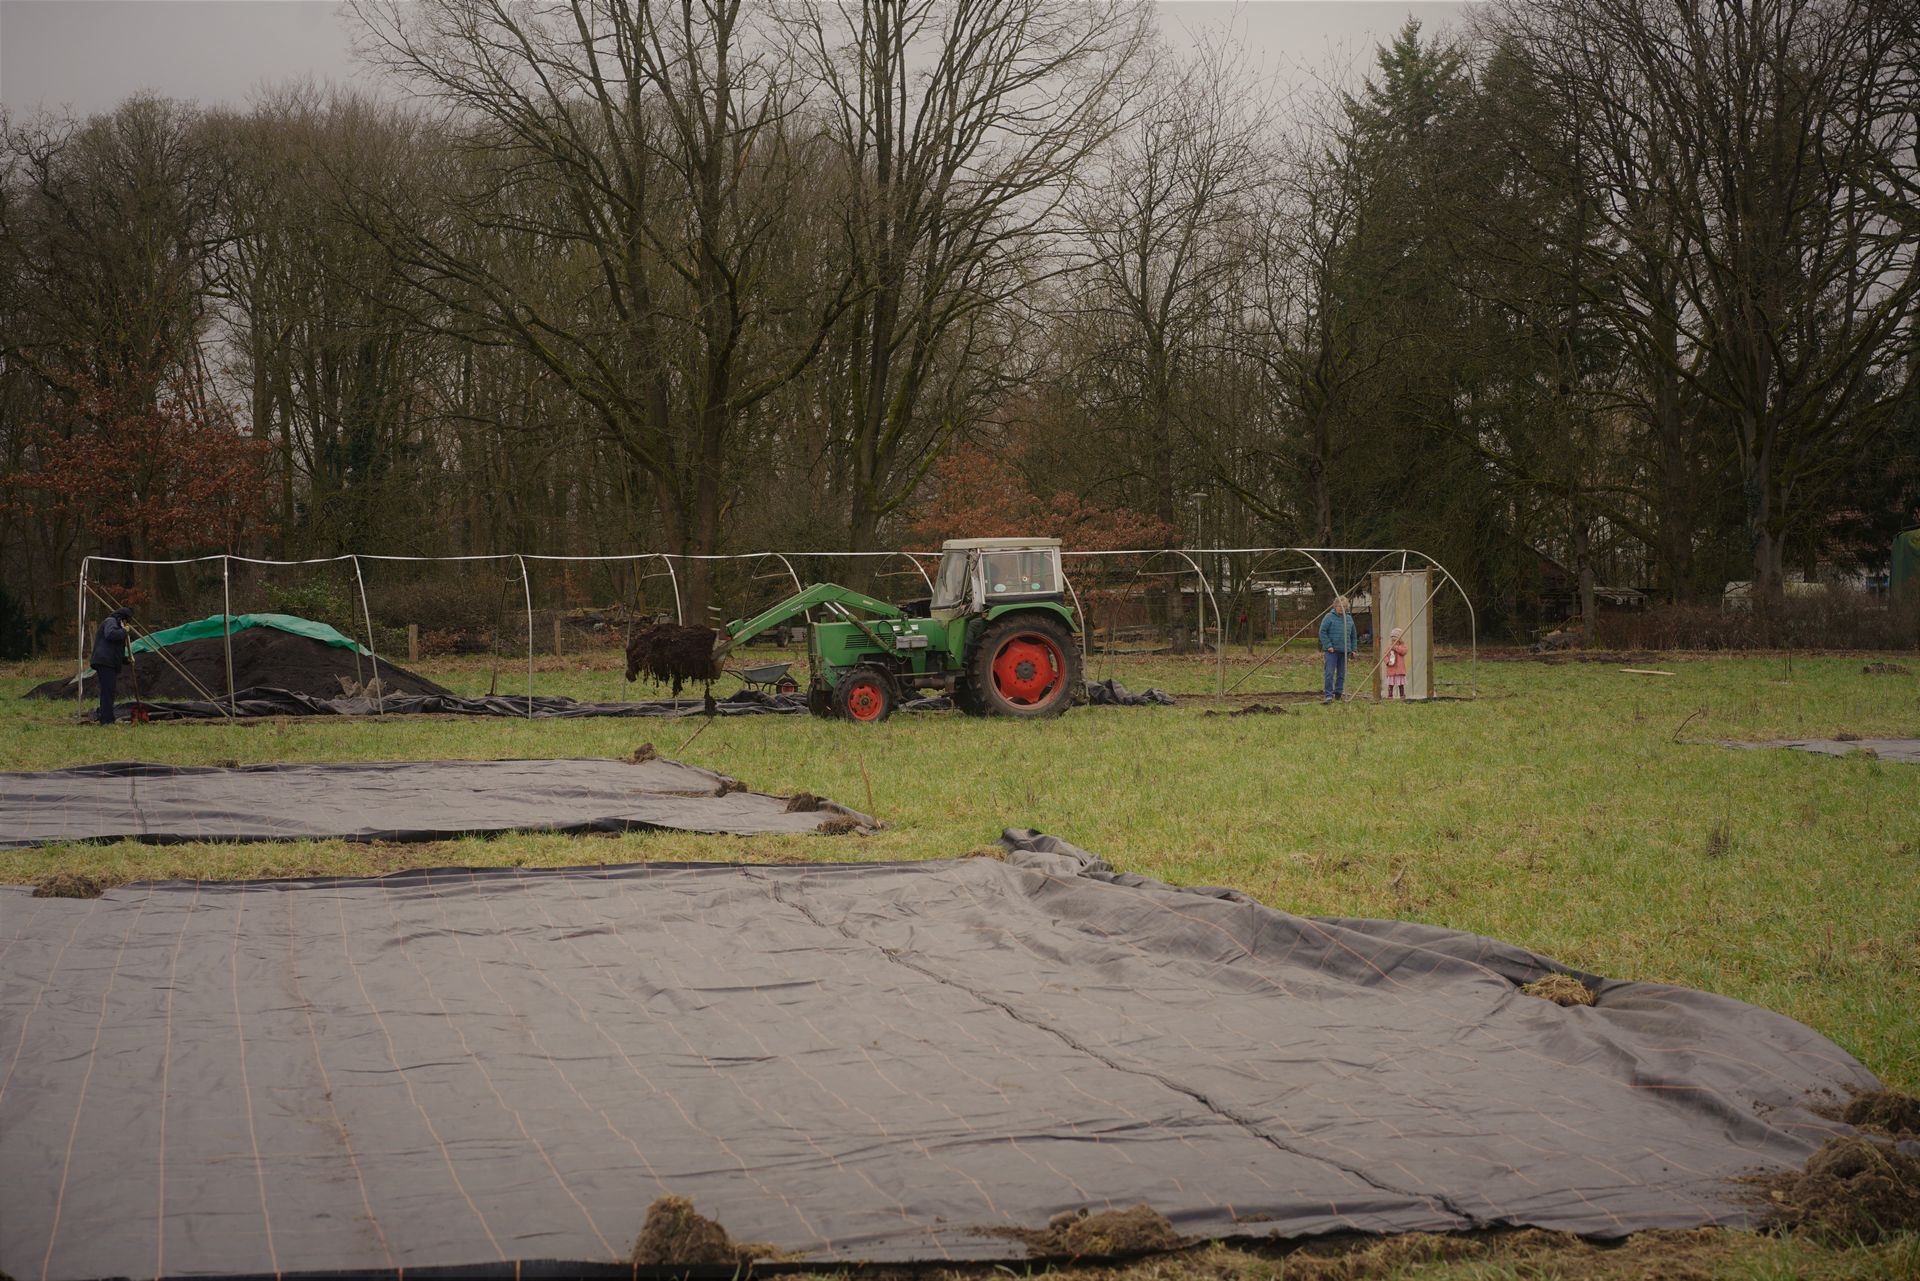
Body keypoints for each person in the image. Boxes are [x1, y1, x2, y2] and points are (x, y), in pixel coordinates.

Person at [90, 607, 132, 726]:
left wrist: (125, 660)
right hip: (104, 662)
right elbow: (110, 635)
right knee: (107, 691)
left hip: (108, 662)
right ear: (122, 618)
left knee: (109, 691)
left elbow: (113, 648)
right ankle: (106, 721)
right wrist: (125, 631)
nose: (126, 624)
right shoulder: (110, 621)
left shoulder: (116, 625)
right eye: (126, 621)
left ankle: (108, 718)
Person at [1318, 596, 1357, 704]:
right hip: (1332, 651)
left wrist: (1353, 649)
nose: (1342, 608)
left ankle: (1338, 693)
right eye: (1340, 606)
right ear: (1335, 606)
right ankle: (1328, 695)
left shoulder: (1349, 619)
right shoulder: (1329, 617)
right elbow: (1322, 632)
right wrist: (1328, 645)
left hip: (1344, 651)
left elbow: (1353, 635)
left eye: (1344, 606)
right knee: (1329, 673)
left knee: (1341, 674)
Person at [1382, 626, 1409, 700]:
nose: (1393, 640)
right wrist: (1387, 661)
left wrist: (1395, 648)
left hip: (1400, 670)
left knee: (1401, 684)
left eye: (1395, 638)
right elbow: (1385, 655)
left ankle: (1402, 696)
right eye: (1392, 638)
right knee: (1390, 684)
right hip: (1391, 669)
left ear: (1399, 638)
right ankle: (1390, 696)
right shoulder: (1389, 647)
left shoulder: (1402, 646)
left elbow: (1404, 652)